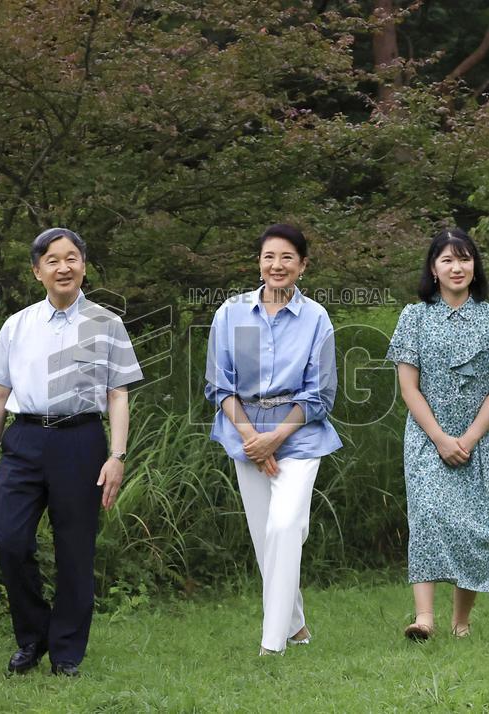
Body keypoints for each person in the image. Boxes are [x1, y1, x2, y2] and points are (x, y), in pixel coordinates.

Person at [0, 227, 143, 676]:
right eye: (52, 260)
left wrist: (117, 455)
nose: (63, 267)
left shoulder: (106, 324)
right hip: (25, 441)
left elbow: (118, 395)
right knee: (8, 541)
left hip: (81, 442)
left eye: (72, 258)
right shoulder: (18, 325)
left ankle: (67, 652)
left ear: (84, 266)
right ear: (37, 271)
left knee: (75, 551)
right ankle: (33, 637)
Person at [205, 223, 342, 656]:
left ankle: (272, 645)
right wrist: (252, 438)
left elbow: (320, 391)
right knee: (269, 538)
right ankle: (296, 625)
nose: (277, 265)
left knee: (285, 526)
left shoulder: (316, 317)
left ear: (302, 265)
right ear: (258, 263)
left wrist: (276, 438)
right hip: (244, 432)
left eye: (287, 257)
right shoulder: (231, 313)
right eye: (269, 257)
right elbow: (218, 384)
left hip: (299, 436)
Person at [385, 228, 489, 640]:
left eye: (463, 258)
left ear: (474, 265)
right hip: (428, 437)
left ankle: (461, 622)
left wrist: (469, 438)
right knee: (428, 517)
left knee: (475, 525)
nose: (456, 267)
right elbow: (409, 387)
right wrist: (442, 439)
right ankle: (423, 618)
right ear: (434, 268)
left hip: (480, 437)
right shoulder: (414, 317)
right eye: (447, 260)